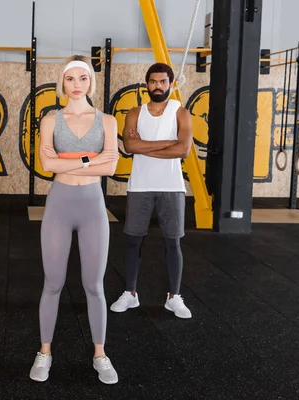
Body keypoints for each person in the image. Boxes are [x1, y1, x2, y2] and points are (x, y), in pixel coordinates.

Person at [29, 55, 120, 384]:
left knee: (94, 286)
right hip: (60, 204)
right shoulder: (51, 119)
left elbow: (111, 168)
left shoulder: (107, 121)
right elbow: (46, 166)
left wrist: (67, 160)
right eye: (71, 79)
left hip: (93, 205)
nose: (77, 85)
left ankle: (100, 354)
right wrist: (88, 159)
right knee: (52, 283)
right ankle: (44, 352)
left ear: (91, 82)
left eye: (83, 78)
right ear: (62, 83)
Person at [109, 62, 193, 319]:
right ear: (147, 84)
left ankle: (174, 297)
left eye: (163, 82)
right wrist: (168, 142)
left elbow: (183, 150)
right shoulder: (135, 113)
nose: (158, 86)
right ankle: (131, 294)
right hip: (140, 186)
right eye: (153, 82)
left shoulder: (181, 113)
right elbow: (129, 146)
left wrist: (145, 144)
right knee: (133, 241)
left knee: (172, 242)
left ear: (170, 84)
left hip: (172, 187)